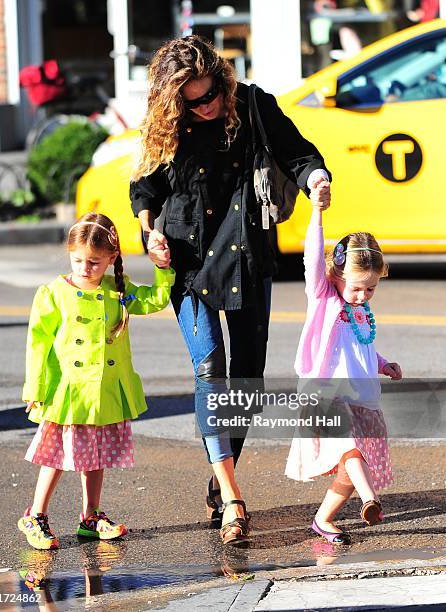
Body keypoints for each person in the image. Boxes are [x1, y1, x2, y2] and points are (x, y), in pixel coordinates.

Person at [130, 35, 331, 545]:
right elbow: (146, 190)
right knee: (210, 371)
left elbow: (299, 153)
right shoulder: (167, 126)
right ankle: (232, 492)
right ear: (175, 101)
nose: (208, 106)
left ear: (222, 78)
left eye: (211, 93)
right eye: (194, 101)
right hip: (188, 259)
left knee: (246, 382)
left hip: (246, 255)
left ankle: (221, 478)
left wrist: (316, 180)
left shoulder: (255, 104)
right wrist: (149, 233)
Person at [18, 212, 175, 550]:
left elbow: (155, 300)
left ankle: (90, 517)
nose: (84, 268)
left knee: (96, 456)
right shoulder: (53, 293)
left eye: (93, 261)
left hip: (103, 389)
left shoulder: (117, 289)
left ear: (111, 259)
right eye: (77, 260)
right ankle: (37, 515)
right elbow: (38, 344)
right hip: (68, 392)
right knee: (56, 457)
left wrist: (162, 269)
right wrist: (35, 389)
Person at [285, 180, 402, 544]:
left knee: (350, 470)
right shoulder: (325, 300)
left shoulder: (362, 312)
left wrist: (382, 363)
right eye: (356, 287)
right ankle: (371, 501)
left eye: (370, 289)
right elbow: (311, 257)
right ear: (335, 276)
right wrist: (317, 212)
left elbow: (359, 349)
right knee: (348, 448)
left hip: (359, 397)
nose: (363, 294)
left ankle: (324, 519)